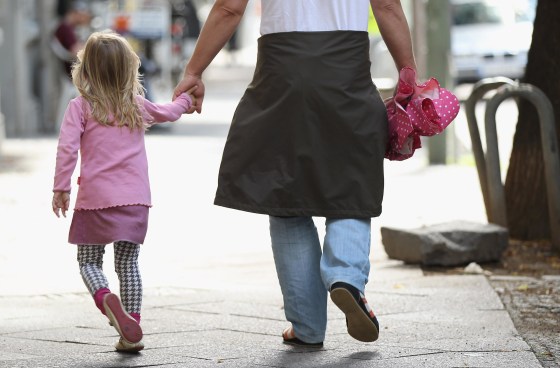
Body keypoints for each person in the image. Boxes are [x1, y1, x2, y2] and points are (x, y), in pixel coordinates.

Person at [174, 0, 417, 347]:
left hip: (281, 70)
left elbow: (229, 8)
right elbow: (386, 6)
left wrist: (194, 71)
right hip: (346, 68)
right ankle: (345, 275)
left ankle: (307, 326)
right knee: (351, 182)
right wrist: (408, 72)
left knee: (285, 192)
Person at [52, 30, 194, 352]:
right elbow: (171, 112)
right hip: (136, 200)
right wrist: (187, 98)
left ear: (85, 70)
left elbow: (67, 149)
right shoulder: (136, 104)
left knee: (89, 262)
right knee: (128, 264)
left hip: (95, 201)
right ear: (130, 69)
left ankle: (104, 297)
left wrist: (61, 187)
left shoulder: (81, 107)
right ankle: (132, 326)